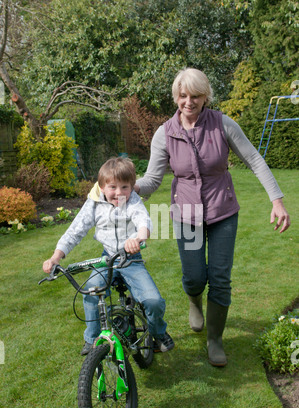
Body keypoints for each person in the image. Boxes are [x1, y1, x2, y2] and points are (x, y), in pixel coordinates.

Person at [134, 68, 290, 367]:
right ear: (175, 97)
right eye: (183, 96)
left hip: (222, 212)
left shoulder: (222, 124)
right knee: (194, 277)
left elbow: (254, 160)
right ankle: (194, 300)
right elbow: (153, 179)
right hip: (187, 213)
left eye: (195, 96)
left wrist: (277, 200)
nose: (188, 102)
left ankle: (215, 339)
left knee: (219, 277)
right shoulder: (165, 133)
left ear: (206, 97)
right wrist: (128, 188)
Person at [43, 157, 174, 355]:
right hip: (107, 258)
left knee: (153, 301)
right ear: (102, 187)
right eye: (113, 187)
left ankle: (158, 333)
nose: (119, 193)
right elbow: (75, 230)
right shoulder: (94, 204)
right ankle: (92, 338)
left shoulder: (131, 201)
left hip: (132, 260)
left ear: (132, 188)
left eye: (125, 187)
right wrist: (56, 257)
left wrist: (138, 238)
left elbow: (143, 220)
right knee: (91, 290)